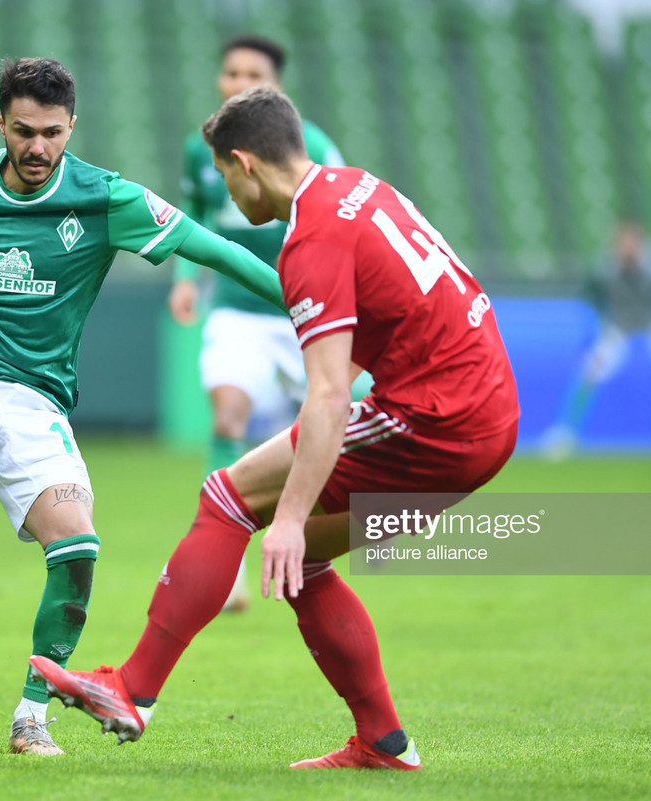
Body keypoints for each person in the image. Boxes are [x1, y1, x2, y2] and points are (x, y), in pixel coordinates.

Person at [29, 86, 519, 770]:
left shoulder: (309, 239)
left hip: (436, 418)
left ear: (244, 164)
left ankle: (132, 690)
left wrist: (287, 513)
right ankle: (383, 741)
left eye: (225, 177)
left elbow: (326, 398)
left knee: (228, 498)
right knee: (305, 561)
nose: (228, 194)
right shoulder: (360, 187)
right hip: (486, 406)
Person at [0, 57, 287, 756]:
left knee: (78, 548)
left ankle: (31, 714)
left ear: (73, 128)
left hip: (36, 398)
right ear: (0, 122)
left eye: (53, 134)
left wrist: (308, 303)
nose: (38, 148)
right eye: (25, 131)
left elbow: (213, 247)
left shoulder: (107, 199)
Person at [168, 35, 346, 612]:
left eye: (253, 74)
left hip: (308, 315)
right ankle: (228, 567)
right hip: (238, 313)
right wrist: (186, 280)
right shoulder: (203, 151)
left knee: (348, 421)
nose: (239, 82)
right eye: (230, 72)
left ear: (276, 88)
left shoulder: (312, 146)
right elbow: (194, 213)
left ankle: (320, 543)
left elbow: (343, 220)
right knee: (228, 414)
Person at [541, 220, 651, 460]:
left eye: (631, 243)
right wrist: (600, 325)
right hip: (620, 323)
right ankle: (565, 433)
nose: (627, 248)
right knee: (590, 368)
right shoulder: (605, 267)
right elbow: (591, 296)